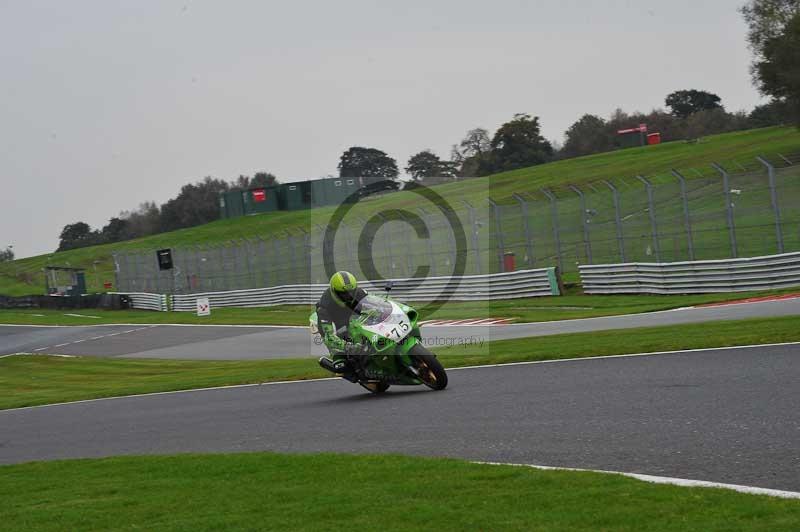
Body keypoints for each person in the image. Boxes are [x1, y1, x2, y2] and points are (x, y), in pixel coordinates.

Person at [316, 271, 368, 379]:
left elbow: (376, 304)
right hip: (337, 325)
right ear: (334, 291)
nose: (348, 296)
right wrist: (348, 347)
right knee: (341, 366)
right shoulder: (324, 306)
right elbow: (329, 336)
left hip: (355, 319)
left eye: (351, 292)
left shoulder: (360, 292)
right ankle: (338, 362)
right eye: (344, 294)